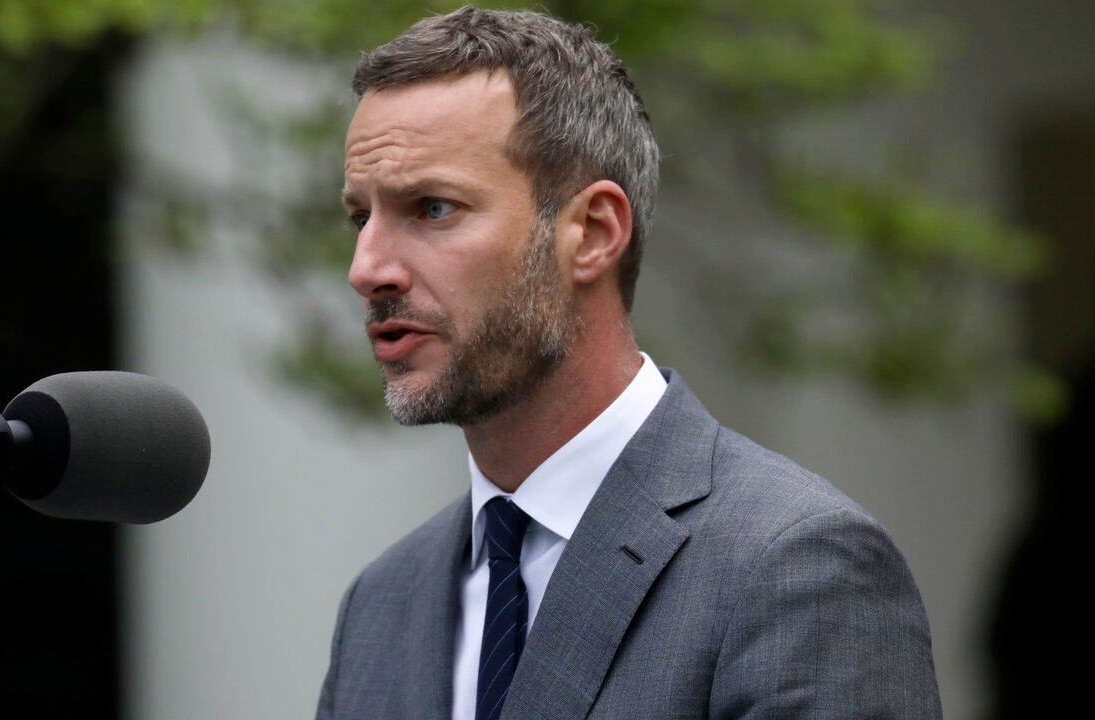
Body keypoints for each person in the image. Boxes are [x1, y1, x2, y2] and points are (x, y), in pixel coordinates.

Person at [318, 6, 941, 719]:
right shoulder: (383, 605)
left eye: (432, 209)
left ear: (592, 233)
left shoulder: (792, 565)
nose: (367, 268)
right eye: (360, 217)